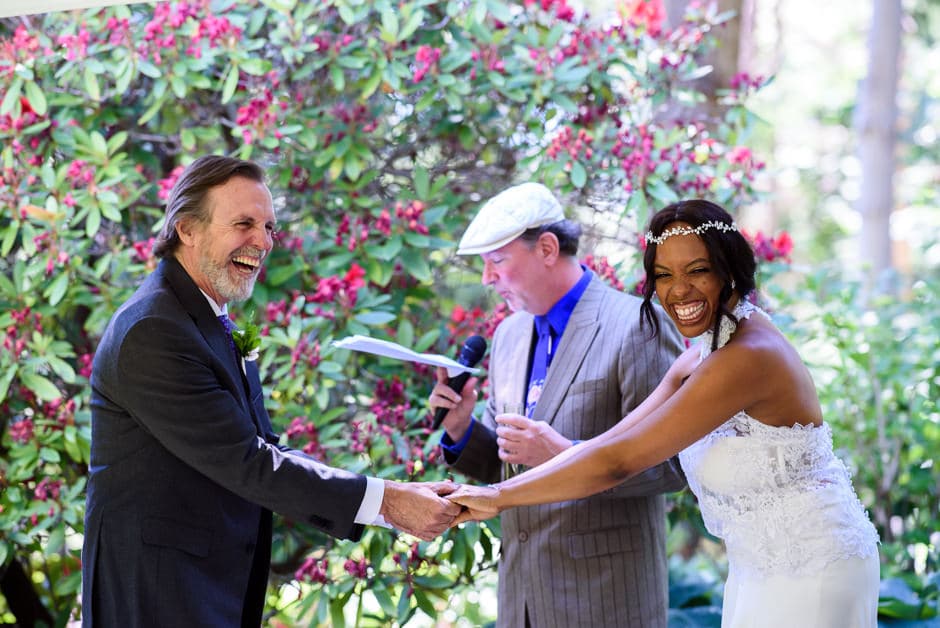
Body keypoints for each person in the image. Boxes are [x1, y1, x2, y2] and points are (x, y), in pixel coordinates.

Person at [447, 199, 881, 627]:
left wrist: (497, 498)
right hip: (760, 567)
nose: (678, 290)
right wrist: (487, 487)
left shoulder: (748, 357)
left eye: (697, 270)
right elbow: (610, 442)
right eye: (663, 275)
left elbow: (619, 462)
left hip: (811, 567)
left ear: (729, 269)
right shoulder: (703, 354)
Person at [81, 155, 460, 626]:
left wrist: (394, 495)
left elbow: (261, 448)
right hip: (158, 594)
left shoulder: (203, 319)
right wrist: (387, 500)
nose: (262, 242)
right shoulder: (153, 329)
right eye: (243, 223)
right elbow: (249, 463)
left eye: (268, 227)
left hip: (203, 587)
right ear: (187, 230)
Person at [428, 182, 687, 628]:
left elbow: (674, 467)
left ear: (547, 248)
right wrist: (461, 429)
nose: (487, 279)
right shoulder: (508, 335)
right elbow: (506, 469)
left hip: (606, 602)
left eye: (497, 261)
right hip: (521, 604)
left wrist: (565, 452)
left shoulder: (635, 325)